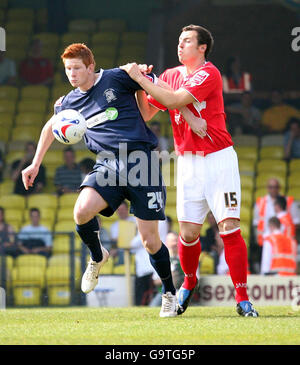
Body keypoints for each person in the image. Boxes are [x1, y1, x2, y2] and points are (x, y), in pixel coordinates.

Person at [21, 43, 178, 317]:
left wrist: (143, 76)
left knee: (150, 241)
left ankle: (169, 293)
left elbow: (159, 90)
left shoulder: (117, 77)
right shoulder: (67, 103)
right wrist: (35, 163)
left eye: (77, 68)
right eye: (68, 69)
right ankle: (97, 256)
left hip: (141, 160)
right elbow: (50, 126)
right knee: (81, 211)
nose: (72, 74)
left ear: (90, 66)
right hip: (107, 161)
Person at [120, 24, 258, 317]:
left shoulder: (210, 73)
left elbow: (171, 99)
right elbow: (147, 111)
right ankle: (189, 282)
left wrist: (139, 77)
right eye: (179, 41)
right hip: (187, 161)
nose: (180, 46)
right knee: (188, 233)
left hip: (219, 158)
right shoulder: (169, 75)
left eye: (186, 42)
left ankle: (243, 299)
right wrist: (139, 84)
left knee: (229, 228)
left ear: (202, 47)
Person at [131, 220, 168, 306]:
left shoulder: (154, 219)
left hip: (147, 266)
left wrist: (131, 242)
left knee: (143, 297)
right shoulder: (162, 218)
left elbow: (136, 242)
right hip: (149, 264)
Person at [253, 178, 300, 246]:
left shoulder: (289, 202)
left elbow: (297, 223)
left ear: (279, 188)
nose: (273, 190)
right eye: (271, 187)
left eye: (275, 187)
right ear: (267, 188)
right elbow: (256, 224)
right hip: (266, 241)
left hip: (284, 241)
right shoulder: (260, 203)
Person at [149, 231, 185, 307]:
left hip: (182, 291)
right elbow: (155, 281)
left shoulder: (187, 258)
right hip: (163, 293)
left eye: (176, 241)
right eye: (172, 241)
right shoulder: (160, 260)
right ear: (166, 243)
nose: (174, 243)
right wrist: (169, 277)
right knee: (153, 306)